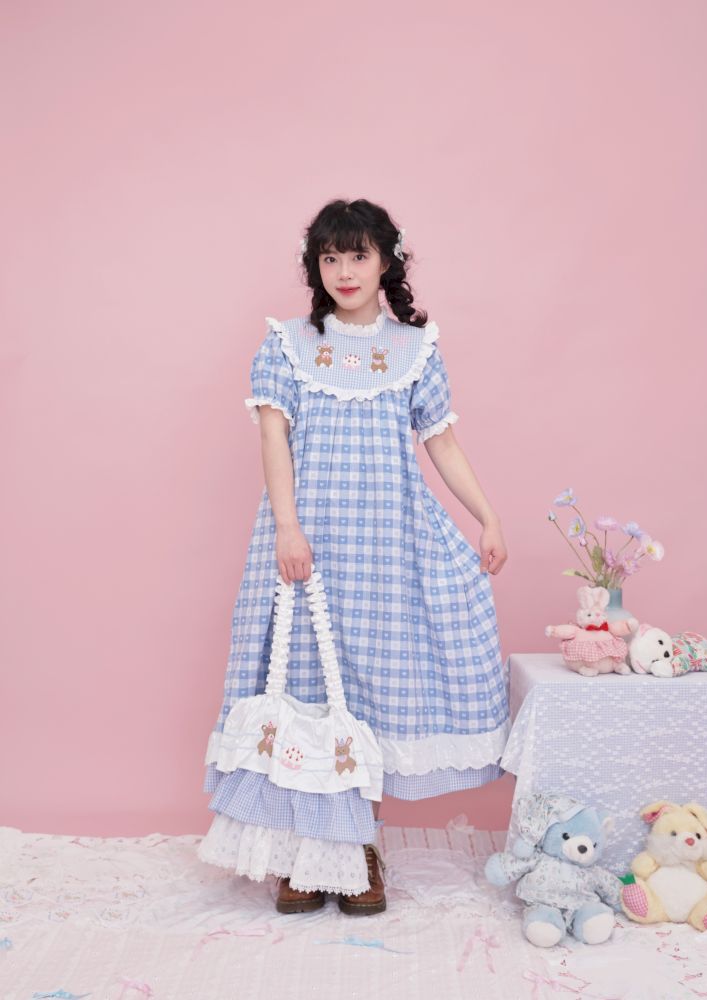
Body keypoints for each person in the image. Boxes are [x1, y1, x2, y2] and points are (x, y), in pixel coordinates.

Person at [201, 197, 510, 915]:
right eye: (330, 257)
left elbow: (440, 441)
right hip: (308, 545)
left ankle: (359, 851)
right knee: (306, 688)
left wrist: (487, 517)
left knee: (370, 694)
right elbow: (273, 438)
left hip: (389, 547)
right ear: (315, 265)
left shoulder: (415, 348)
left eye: (358, 256)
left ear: (385, 262)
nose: (344, 271)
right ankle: (306, 859)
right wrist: (287, 528)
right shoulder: (287, 345)